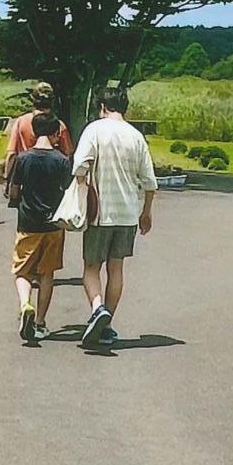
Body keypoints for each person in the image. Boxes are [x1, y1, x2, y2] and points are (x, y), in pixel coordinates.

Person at [68, 84, 158, 349]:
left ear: (102, 107)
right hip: (128, 213)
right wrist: (146, 212)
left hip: (100, 212)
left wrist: (84, 186)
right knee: (116, 267)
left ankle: (97, 309)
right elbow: (150, 182)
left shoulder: (94, 130)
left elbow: (79, 166)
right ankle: (106, 325)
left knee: (91, 266)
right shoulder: (136, 137)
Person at [2, 110, 73, 345]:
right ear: (56, 133)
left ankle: (25, 304)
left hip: (28, 222)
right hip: (53, 224)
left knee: (22, 270)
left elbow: (14, 191)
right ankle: (41, 323)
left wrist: (17, 199)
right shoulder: (62, 161)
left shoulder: (23, 159)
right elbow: (68, 190)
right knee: (46, 274)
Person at [5, 81, 73, 160]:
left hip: (26, 168)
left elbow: (11, 153)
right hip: (51, 170)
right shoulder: (59, 125)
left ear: (33, 100)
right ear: (52, 101)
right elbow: (67, 154)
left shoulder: (20, 122)